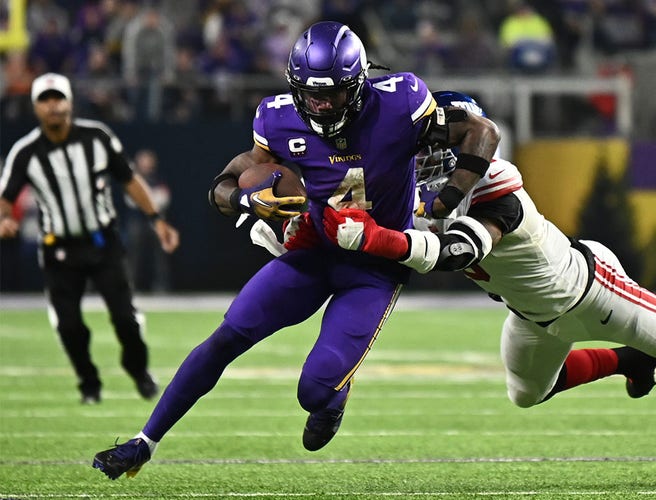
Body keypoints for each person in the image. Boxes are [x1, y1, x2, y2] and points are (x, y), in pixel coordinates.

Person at [92, 21, 499, 480]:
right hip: (314, 252)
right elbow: (226, 183)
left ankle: (335, 396)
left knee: (314, 392)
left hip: (375, 267)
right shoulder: (279, 117)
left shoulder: (400, 102)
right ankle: (144, 441)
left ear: (357, 84)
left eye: (332, 95)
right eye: (311, 94)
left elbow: (482, 132)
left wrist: (443, 201)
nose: (320, 105)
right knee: (227, 336)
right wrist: (247, 200)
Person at [319, 90, 656, 416]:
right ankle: (628, 360)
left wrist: (373, 238)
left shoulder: (497, 188)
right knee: (527, 394)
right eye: (426, 148)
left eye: (444, 147)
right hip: (530, 313)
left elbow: (453, 252)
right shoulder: (416, 193)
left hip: (589, 289)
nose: (430, 158)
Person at [0, 73, 181, 405]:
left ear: (70, 102)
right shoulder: (26, 152)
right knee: (68, 325)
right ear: (35, 107)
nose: (53, 106)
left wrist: (156, 219)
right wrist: (5, 219)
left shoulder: (97, 137)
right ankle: (88, 382)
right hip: (57, 247)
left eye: (58, 98)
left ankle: (138, 370)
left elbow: (129, 179)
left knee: (125, 319)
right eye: (45, 100)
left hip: (102, 243)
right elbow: (5, 197)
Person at [125, 149, 172, 292]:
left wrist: (146, 199)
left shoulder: (159, 179)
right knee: (133, 249)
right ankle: (130, 283)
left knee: (162, 249)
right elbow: (130, 200)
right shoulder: (134, 180)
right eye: (143, 162)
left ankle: (161, 284)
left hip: (156, 223)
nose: (146, 165)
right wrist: (150, 199)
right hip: (138, 221)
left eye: (148, 161)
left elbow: (164, 199)